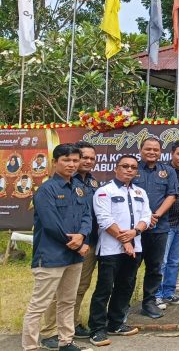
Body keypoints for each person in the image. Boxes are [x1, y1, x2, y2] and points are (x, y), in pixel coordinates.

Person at [21, 144, 92, 351]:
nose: (72, 164)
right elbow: (51, 224)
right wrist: (76, 244)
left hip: (73, 258)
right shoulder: (46, 190)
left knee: (67, 302)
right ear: (54, 162)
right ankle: (30, 346)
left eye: (75, 160)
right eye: (66, 160)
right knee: (39, 305)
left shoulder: (79, 188)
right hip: (51, 256)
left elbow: (87, 216)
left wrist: (82, 235)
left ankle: (66, 342)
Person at [40, 142, 100, 348]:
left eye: (92, 158)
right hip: (64, 244)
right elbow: (53, 220)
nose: (87, 161)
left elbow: (89, 214)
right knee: (57, 291)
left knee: (78, 288)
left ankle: (71, 326)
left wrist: (84, 239)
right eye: (83, 157)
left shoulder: (93, 183)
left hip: (88, 242)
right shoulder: (62, 183)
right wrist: (75, 241)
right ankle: (50, 332)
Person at [88, 155, 151, 347]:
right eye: (125, 166)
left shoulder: (140, 192)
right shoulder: (104, 191)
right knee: (104, 289)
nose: (129, 170)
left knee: (125, 286)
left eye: (133, 167)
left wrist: (135, 232)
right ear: (116, 169)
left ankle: (115, 323)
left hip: (135, 247)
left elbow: (146, 216)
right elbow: (104, 219)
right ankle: (97, 329)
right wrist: (125, 241)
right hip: (110, 250)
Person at [133, 137, 178, 319]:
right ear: (140, 150)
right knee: (130, 268)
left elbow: (172, 195)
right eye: (148, 149)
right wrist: (143, 219)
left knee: (154, 268)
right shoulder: (132, 168)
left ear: (160, 152)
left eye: (156, 149)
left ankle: (149, 303)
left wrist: (155, 215)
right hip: (134, 229)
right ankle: (122, 305)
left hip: (158, 227)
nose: (152, 152)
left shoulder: (168, 171)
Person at [155, 140, 179, 307]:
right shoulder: (161, 171)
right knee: (161, 261)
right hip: (165, 224)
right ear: (172, 153)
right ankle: (156, 294)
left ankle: (169, 293)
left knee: (175, 261)